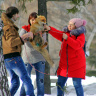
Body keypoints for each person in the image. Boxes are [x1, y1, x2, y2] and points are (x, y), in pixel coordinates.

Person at [44, 18, 87, 96]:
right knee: (60, 84)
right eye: (69, 24)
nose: (69, 26)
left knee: (77, 85)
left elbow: (77, 45)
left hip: (77, 65)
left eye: (71, 25)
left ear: (76, 26)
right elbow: (57, 33)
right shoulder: (66, 33)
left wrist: (68, 39)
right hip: (65, 65)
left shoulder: (81, 35)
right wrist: (49, 29)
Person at [1, 6, 35, 96]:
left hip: (8, 58)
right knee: (26, 79)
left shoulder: (6, 25)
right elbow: (11, 42)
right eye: (17, 14)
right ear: (13, 15)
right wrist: (23, 36)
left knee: (15, 82)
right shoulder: (9, 27)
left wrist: (24, 39)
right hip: (13, 57)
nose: (18, 16)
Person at [19, 12, 46, 96]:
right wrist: (27, 35)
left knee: (40, 81)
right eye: (32, 20)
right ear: (29, 20)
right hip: (27, 58)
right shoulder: (25, 28)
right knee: (26, 79)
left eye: (36, 19)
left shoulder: (42, 30)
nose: (33, 21)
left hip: (40, 58)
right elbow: (19, 39)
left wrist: (36, 37)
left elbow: (42, 44)